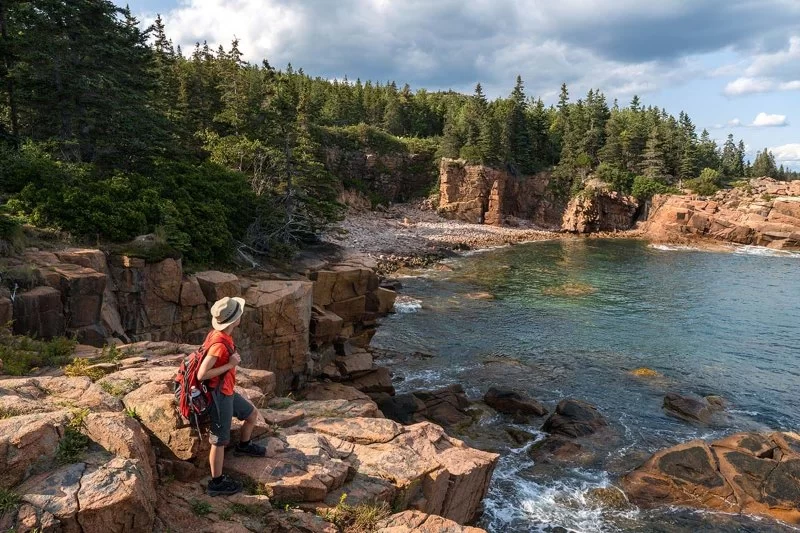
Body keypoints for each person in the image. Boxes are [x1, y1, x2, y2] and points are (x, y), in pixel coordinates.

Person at [197, 296, 266, 496]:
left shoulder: (222, 335)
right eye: (239, 313)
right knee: (219, 440)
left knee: (251, 415)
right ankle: (216, 483)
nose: (241, 315)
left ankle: (244, 446)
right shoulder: (219, 344)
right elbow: (202, 374)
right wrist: (230, 365)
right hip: (218, 395)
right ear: (234, 320)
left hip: (226, 390)